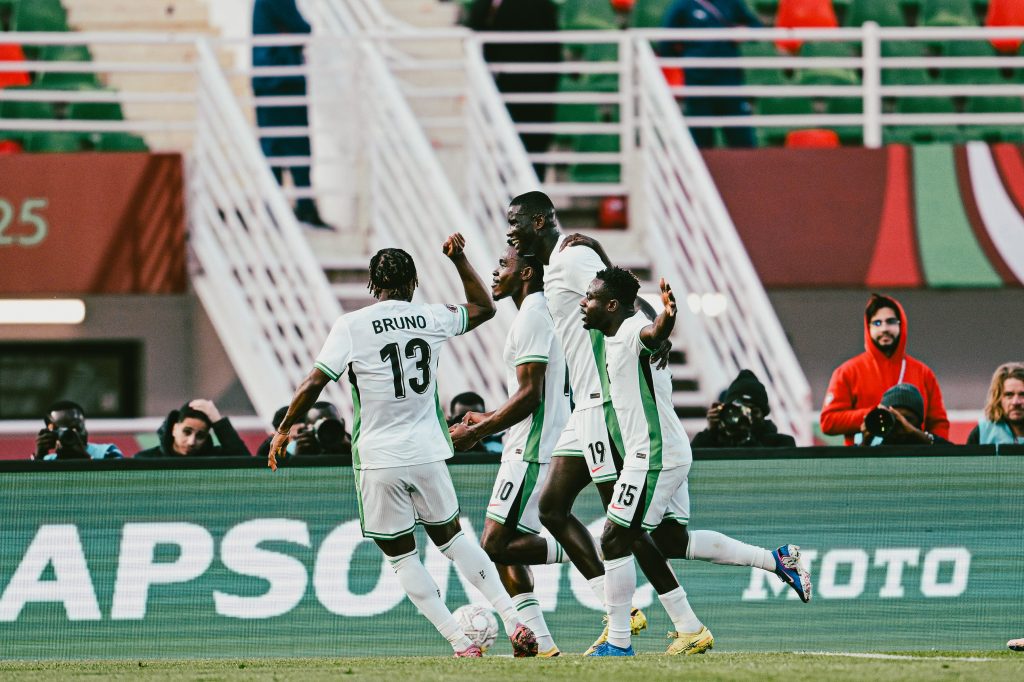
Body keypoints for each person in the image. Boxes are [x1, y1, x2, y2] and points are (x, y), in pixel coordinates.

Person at [267, 235, 539, 658]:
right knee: (454, 541)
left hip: (378, 459)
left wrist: (285, 428)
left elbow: (314, 382)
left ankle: (460, 643)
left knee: (402, 558)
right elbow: (485, 308)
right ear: (413, 283)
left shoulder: (351, 325)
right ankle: (513, 618)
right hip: (429, 451)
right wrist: (459, 260)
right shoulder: (430, 317)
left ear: (373, 287)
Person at [505, 190, 704, 655]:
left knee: (622, 529)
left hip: (602, 406)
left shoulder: (570, 258)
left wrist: (656, 334)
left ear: (539, 221)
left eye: (515, 221)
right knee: (556, 509)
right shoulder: (559, 262)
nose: (509, 230)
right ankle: (642, 615)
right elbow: (613, 283)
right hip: (584, 407)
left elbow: (621, 296)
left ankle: (654, 623)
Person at [579, 266, 811, 656]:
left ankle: (622, 641)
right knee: (671, 540)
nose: (583, 303)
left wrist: (668, 317)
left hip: (653, 456)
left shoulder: (636, 332)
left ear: (613, 305)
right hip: (665, 451)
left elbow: (654, 334)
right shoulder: (614, 333)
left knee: (616, 536)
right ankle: (776, 560)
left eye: (591, 297)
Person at [449, 247, 571, 658]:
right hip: (527, 443)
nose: (496, 271)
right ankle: (541, 645)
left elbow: (531, 395)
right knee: (506, 547)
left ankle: (600, 548)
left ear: (528, 273)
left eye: (503, 265)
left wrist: (479, 430)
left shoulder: (534, 315)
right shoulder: (529, 315)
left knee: (496, 545)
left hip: (533, 447)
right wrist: (483, 418)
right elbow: (527, 393)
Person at [820, 294, 949, 446]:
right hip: (864, 460)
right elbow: (828, 421)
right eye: (877, 323)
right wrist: (875, 415)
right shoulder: (847, 371)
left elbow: (939, 423)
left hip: (913, 459)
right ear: (868, 328)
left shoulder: (923, 373)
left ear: (902, 325)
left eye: (891, 322)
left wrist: (934, 451)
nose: (884, 328)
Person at [252, 0, 330, 229]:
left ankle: (277, 211)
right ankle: (300, 208)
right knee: (293, 145)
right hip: (282, 78)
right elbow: (301, 27)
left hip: (271, 78)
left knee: (275, 145)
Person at [465, 0, 561, 179]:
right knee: (524, 146)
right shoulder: (543, 6)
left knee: (517, 145)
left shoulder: (539, 7)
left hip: (520, 83)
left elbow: (477, 30)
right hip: (528, 85)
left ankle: (519, 193)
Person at [660, 0, 762, 148]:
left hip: (729, 79)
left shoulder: (731, 3)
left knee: (741, 137)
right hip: (698, 81)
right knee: (701, 138)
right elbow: (666, 43)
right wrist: (690, 57)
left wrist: (745, 31)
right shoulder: (683, 4)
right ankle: (699, 171)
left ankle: (748, 170)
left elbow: (757, 27)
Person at [691, 369, 796, 447]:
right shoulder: (715, 442)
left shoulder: (781, 444)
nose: (745, 416)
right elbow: (689, 466)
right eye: (739, 409)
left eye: (753, 411)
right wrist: (711, 432)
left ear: (763, 415)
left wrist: (748, 438)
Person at [133, 400, 250, 458]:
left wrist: (218, 421)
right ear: (174, 428)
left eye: (200, 435)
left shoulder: (214, 458)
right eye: (187, 432)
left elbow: (246, 465)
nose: (191, 442)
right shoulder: (146, 459)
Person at [855, 383, 950, 447]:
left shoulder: (932, 447)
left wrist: (916, 434)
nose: (900, 423)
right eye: (894, 417)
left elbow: (954, 455)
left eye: (907, 419)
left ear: (919, 420)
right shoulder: (877, 452)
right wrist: (865, 442)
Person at [255, 402, 352, 461]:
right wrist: (299, 459)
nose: (326, 434)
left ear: (342, 424)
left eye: (331, 427)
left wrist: (352, 450)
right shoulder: (271, 451)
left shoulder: (350, 444)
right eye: (294, 438)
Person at [33, 400, 123, 460]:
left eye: (75, 429)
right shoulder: (47, 461)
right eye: (63, 432)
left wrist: (84, 457)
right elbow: (31, 486)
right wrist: (39, 457)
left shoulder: (106, 452)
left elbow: (119, 483)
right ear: (51, 434)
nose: (70, 435)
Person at [967, 362, 1024, 445]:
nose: (1016, 402)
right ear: (998, 398)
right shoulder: (982, 433)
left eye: (1022, 394)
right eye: (1009, 395)